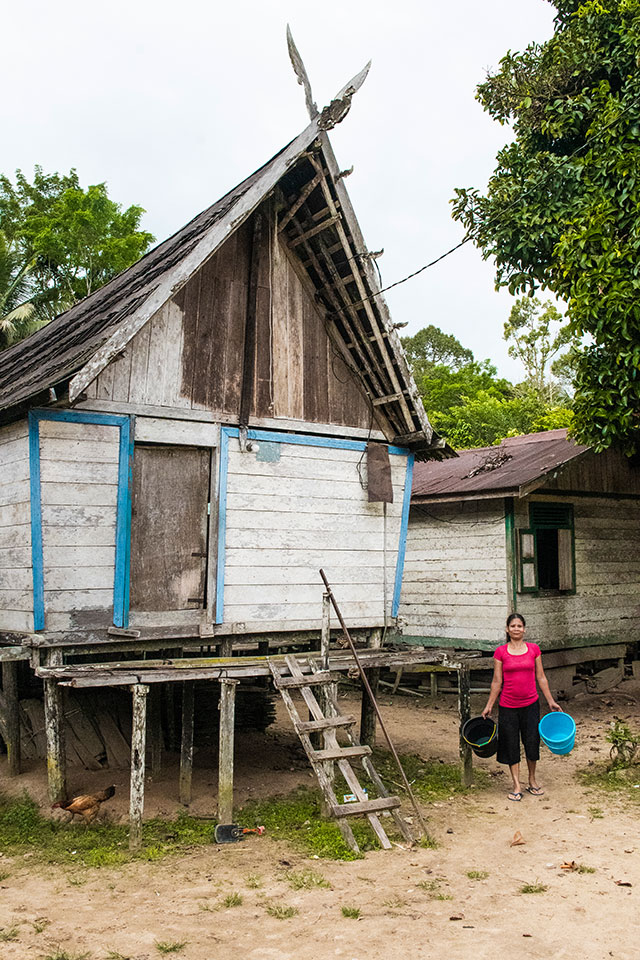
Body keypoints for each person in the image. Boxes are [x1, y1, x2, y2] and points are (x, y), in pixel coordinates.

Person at [481, 613, 561, 801]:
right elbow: (496, 681)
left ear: (524, 629)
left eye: (519, 626)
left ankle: (532, 780)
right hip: (508, 706)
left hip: (531, 704)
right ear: (507, 630)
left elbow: (541, 677)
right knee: (511, 744)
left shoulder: (534, 650)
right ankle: (516, 784)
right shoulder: (500, 652)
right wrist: (489, 705)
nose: (516, 629)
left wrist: (550, 700)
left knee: (532, 741)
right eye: (513, 626)